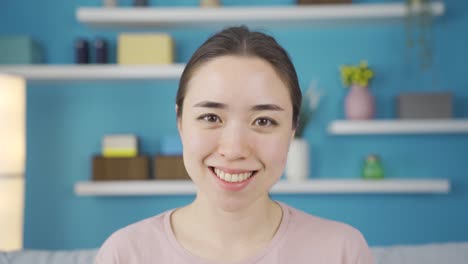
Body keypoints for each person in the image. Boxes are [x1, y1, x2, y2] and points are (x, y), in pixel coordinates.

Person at [95, 26, 375, 264]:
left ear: (292, 130)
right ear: (180, 122)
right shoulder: (125, 254)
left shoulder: (343, 252)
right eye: (211, 117)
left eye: (264, 121)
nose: (234, 149)